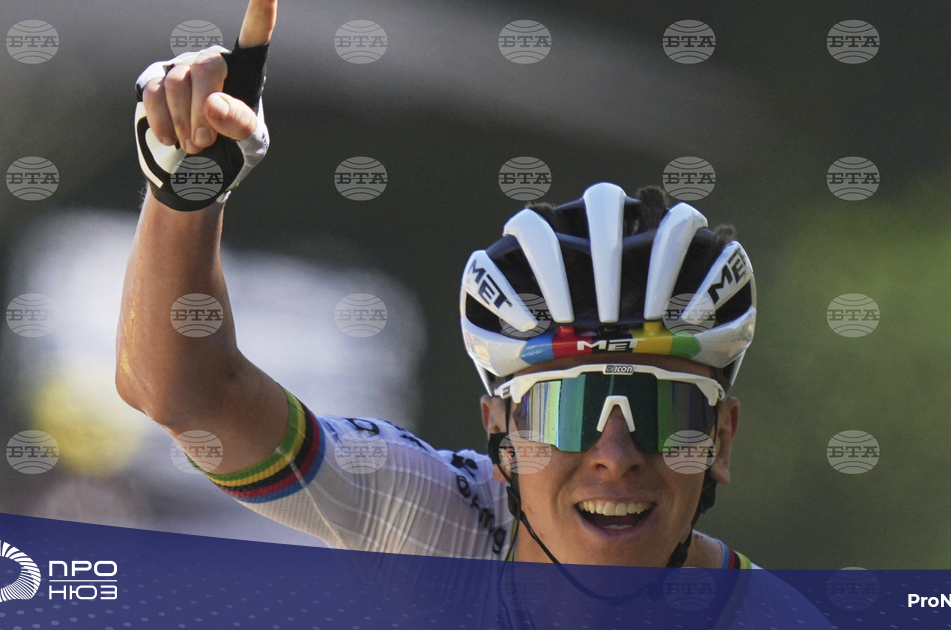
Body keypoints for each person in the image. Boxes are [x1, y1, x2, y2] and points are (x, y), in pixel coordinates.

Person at [116, 0, 756, 571]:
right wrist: (185, 197)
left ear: (719, 442)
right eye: (568, 412)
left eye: (660, 412)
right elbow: (188, 396)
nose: (615, 455)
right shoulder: (442, 526)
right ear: (501, 440)